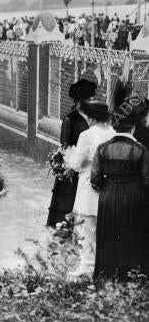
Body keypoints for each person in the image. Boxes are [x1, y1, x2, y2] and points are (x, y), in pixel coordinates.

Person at [91, 102, 149, 280]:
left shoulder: (102, 148)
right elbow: (147, 179)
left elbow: (95, 178)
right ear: (132, 127)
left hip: (108, 195)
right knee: (132, 234)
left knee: (108, 234)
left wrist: (108, 186)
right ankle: (131, 274)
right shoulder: (141, 150)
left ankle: (106, 274)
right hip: (134, 196)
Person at [65, 101, 115, 279]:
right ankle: (103, 265)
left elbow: (77, 162)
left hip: (88, 183)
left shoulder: (86, 135)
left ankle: (87, 265)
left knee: (85, 225)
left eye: (87, 117)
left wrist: (68, 162)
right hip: (108, 184)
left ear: (92, 118)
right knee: (103, 225)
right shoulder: (113, 132)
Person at [46, 79, 96, 228]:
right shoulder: (70, 119)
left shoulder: (93, 118)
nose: (91, 102)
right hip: (72, 170)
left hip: (87, 169)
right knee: (67, 205)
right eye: (89, 99)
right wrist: (72, 164)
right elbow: (65, 147)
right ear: (80, 101)